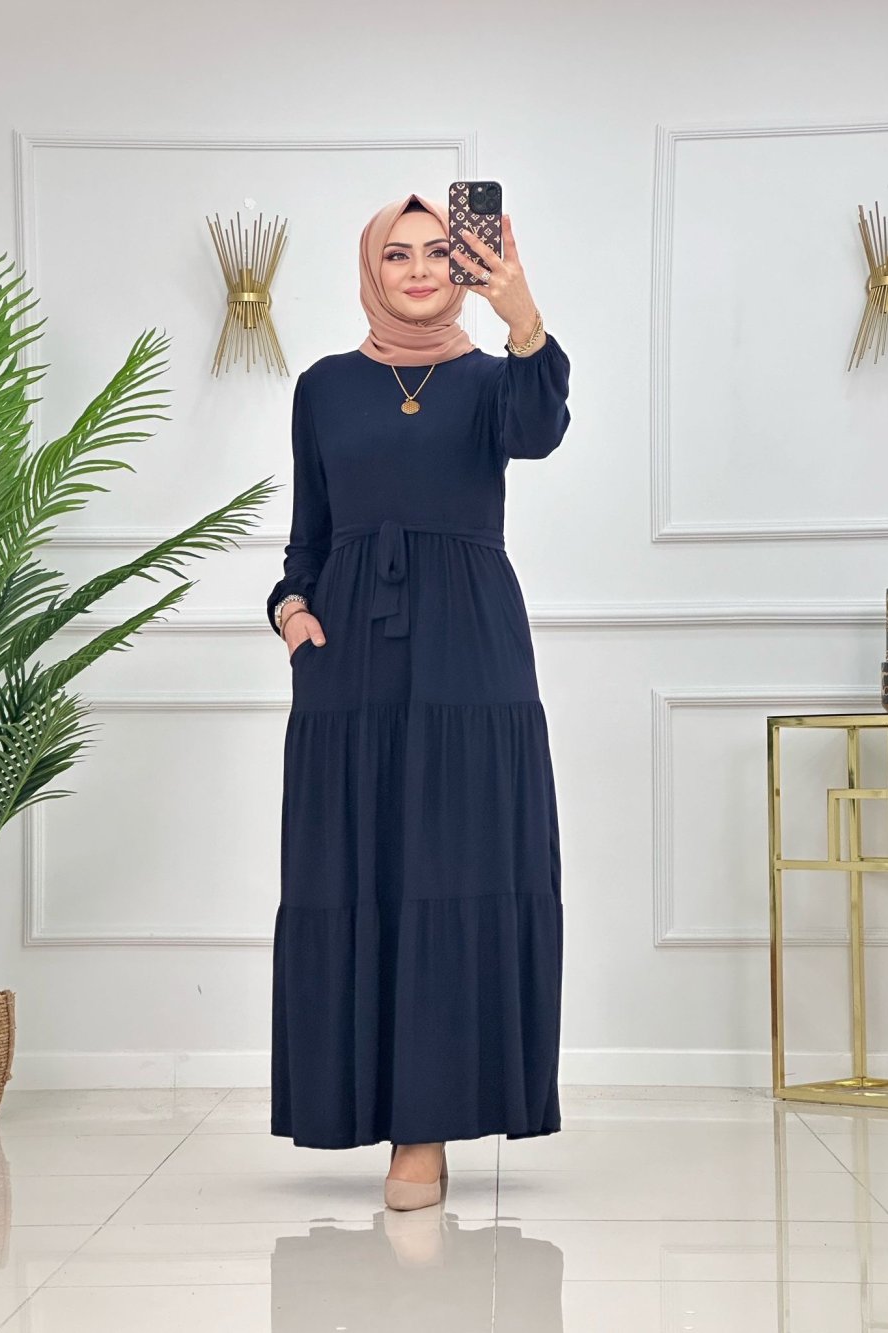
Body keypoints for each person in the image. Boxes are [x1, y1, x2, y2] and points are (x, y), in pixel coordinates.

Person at [266, 191, 571, 1211]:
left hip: (471, 646)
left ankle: (423, 1132)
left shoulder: (492, 380)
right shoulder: (323, 387)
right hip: (349, 649)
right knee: (361, 866)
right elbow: (308, 533)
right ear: (372, 269)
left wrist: (522, 315)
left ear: (463, 266)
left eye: (440, 250)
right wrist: (290, 610)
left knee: (457, 866)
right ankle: (366, 1103)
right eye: (396, 254)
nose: (419, 268)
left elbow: (541, 430)